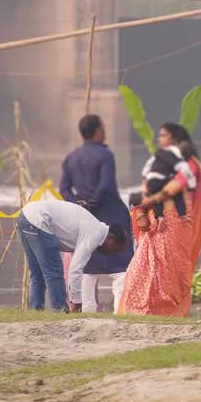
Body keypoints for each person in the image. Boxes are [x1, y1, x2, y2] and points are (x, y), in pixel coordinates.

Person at [118, 122, 201, 316]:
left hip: (177, 225)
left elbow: (173, 188)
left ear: (176, 139)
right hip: (157, 222)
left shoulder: (189, 164)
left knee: (172, 274)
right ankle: (136, 311)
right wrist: (143, 211)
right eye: (160, 136)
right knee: (141, 268)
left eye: (164, 135)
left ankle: (168, 314)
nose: (160, 139)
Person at [58, 114, 132, 313]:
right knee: (121, 266)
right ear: (98, 131)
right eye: (104, 127)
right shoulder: (105, 155)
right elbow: (106, 185)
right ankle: (120, 310)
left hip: (83, 218)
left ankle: (88, 310)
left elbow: (64, 189)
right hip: (111, 214)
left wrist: (78, 205)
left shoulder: (71, 158)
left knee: (87, 265)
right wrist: (92, 204)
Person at [17, 198, 127, 312]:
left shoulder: (94, 226)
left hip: (26, 216)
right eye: (116, 249)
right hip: (40, 220)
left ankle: (36, 312)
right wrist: (77, 302)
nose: (112, 254)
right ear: (112, 239)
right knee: (54, 271)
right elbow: (75, 270)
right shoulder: (95, 234)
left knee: (37, 273)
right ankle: (60, 311)